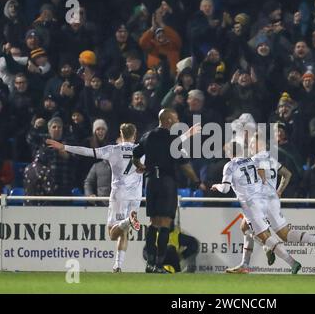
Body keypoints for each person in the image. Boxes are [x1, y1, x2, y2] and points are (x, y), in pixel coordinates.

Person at [212, 140, 315, 275]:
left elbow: (255, 178)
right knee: (282, 233)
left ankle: (271, 252)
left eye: (252, 144)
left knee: (257, 233)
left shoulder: (253, 160)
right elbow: (287, 174)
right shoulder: (270, 158)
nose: (250, 146)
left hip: (258, 201)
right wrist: (278, 191)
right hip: (272, 200)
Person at [46, 123, 142, 273]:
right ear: (135, 135)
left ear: (121, 134)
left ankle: (128, 221)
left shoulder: (113, 149)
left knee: (112, 233)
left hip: (119, 194)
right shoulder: (142, 150)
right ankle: (117, 265)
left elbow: (87, 151)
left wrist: (65, 147)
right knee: (123, 232)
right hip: (136, 196)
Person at [132, 108, 206, 274]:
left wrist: (140, 166)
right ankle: (159, 264)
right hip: (166, 182)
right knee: (165, 224)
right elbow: (184, 164)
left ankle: (150, 264)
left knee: (153, 223)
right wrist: (196, 180)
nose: (178, 121)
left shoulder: (147, 136)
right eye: (176, 118)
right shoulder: (173, 140)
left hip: (150, 182)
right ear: (169, 121)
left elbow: (135, 154)